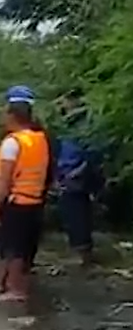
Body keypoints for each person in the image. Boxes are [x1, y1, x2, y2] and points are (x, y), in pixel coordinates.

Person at [0, 85, 51, 302]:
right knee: (23, 246)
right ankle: (3, 282)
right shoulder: (40, 138)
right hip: (34, 200)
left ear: (11, 113)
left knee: (13, 247)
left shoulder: (12, 143)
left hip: (15, 201)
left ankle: (16, 291)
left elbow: (4, 180)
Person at [54, 89, 101, 266]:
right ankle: (79, 250)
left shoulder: (85, 126)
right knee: (70, 213)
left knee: (78, 214)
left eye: (66, 100)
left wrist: (78, 173)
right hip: (66, 173)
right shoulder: (67, 125)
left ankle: (84, 254)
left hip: (76, 175)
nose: (63, 104)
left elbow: (92, 154)